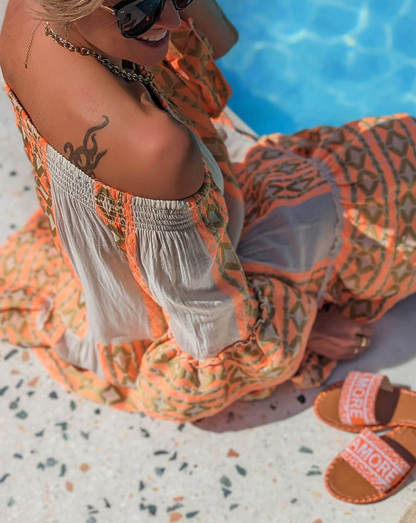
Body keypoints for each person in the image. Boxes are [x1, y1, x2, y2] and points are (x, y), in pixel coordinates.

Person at [0, 0, 413, 422]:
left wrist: (148, 14)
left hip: (175, 228)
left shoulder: (27, 15)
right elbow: (204, 313)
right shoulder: (155, 145)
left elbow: (220, 39)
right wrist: (304, 331)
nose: (174, 20)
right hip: (207, 275)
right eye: (139, 10)